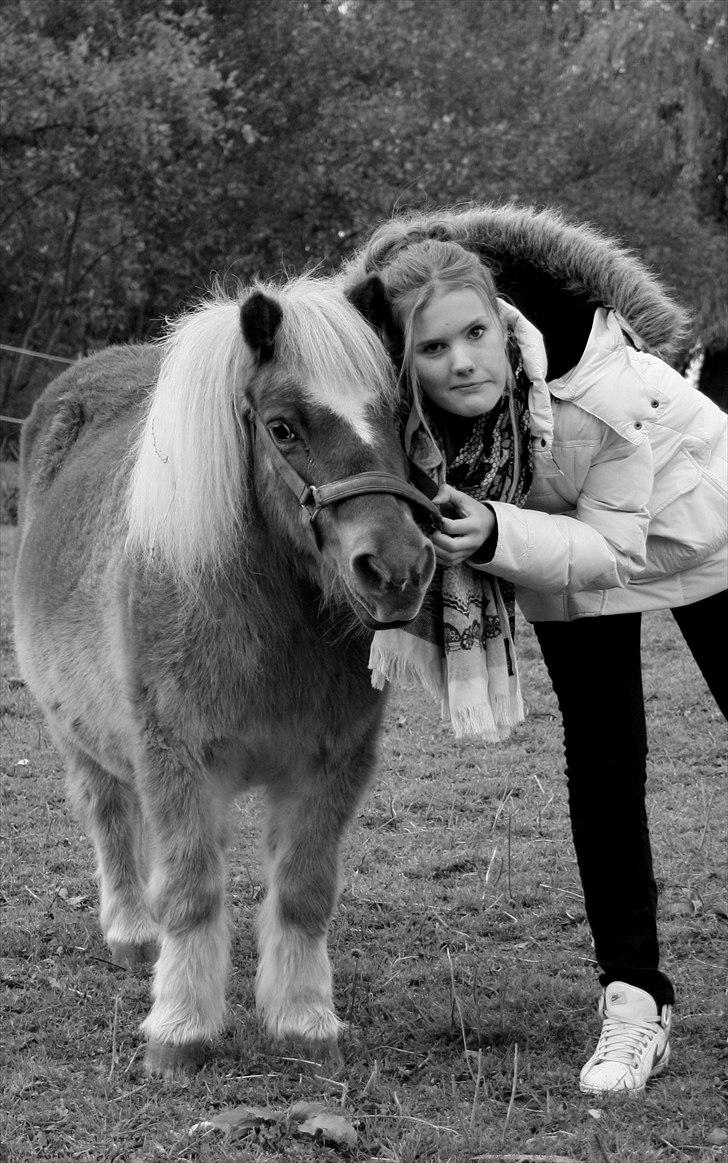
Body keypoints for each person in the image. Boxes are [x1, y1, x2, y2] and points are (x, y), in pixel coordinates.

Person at [345, 222, 727, 1095]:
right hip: (552, 546)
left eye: (476, 333)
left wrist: (492, 530)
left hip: (699, 527)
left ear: (503, 317)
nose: (463, 362)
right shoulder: (411, 425)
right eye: (432, 348)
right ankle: (635, 1000)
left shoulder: (597, 386)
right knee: (603, 758)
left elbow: (614, 546)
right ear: (405, 362)